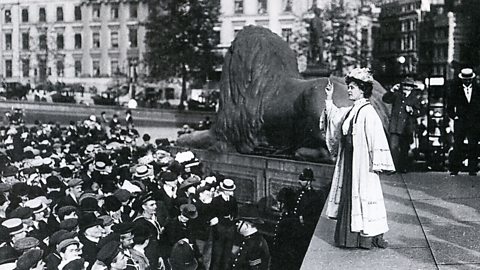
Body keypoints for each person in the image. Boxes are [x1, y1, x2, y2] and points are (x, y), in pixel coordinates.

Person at [323, 67, 395, 249]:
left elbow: (377, 137)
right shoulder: (352, 109)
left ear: (362, 90)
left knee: (364, 195)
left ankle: (365, 238)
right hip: (349, 161)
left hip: (362, 164)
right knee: (349, 194)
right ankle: (348, 238)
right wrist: (329, 98)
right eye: (349, 87)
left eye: (353, 88)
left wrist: (378, 162)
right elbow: (335, 118)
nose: (349, 90)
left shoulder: (368, 112)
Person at [382, 77, 421, 172]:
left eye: (409, 86)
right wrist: (391, 90)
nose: (406, 88)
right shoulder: (397, 95)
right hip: (395, 126)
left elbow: (419, 111)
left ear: (412, 88)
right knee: (393, 147)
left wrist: (412, 110)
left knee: (404, 148)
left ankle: (402, 167)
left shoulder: (415, 98)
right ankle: (393, 167)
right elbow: (385, 99)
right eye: (405, 85)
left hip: (406, 127)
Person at [447, 68, 480, 176]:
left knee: (473, 145)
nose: (467, 82)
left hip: (474, 121)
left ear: (472, 79)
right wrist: (454, 116)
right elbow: (450, 105)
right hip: (460, 121)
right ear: (462, 79)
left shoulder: (478, 89)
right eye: (465, 79)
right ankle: (455, 168)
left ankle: (472, 169)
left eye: (469, 79)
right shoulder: (456, 89)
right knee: (458, 144)